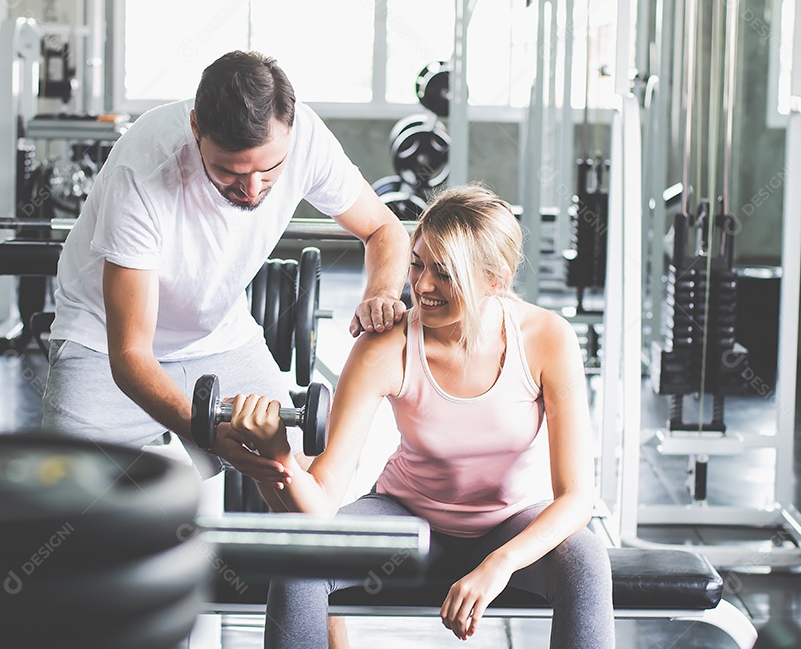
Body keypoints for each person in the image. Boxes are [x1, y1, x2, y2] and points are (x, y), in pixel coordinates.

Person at [229, 183, 616, 648]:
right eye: (417, 264)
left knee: (585, 561)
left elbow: (577, 498)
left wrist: (499, 564)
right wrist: (279, 461)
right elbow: (323, 501)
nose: (423, 285)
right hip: (408, 519)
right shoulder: (384, 346)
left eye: (445, 273)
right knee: (300, 561)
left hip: (512, 520)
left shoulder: (547, 338)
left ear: (497, 279)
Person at [42, 50, 410, 485]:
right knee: (67, 495)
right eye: (229, 171)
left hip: (220, 338)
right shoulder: (143, 170)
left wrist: (382, 292)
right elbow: (131, 355)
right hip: (103, 344)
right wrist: (210, 435)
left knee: (304, 483)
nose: (252, 190)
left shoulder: (306, 139)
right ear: (196, 127)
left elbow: (384, 228)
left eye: (270, 170)